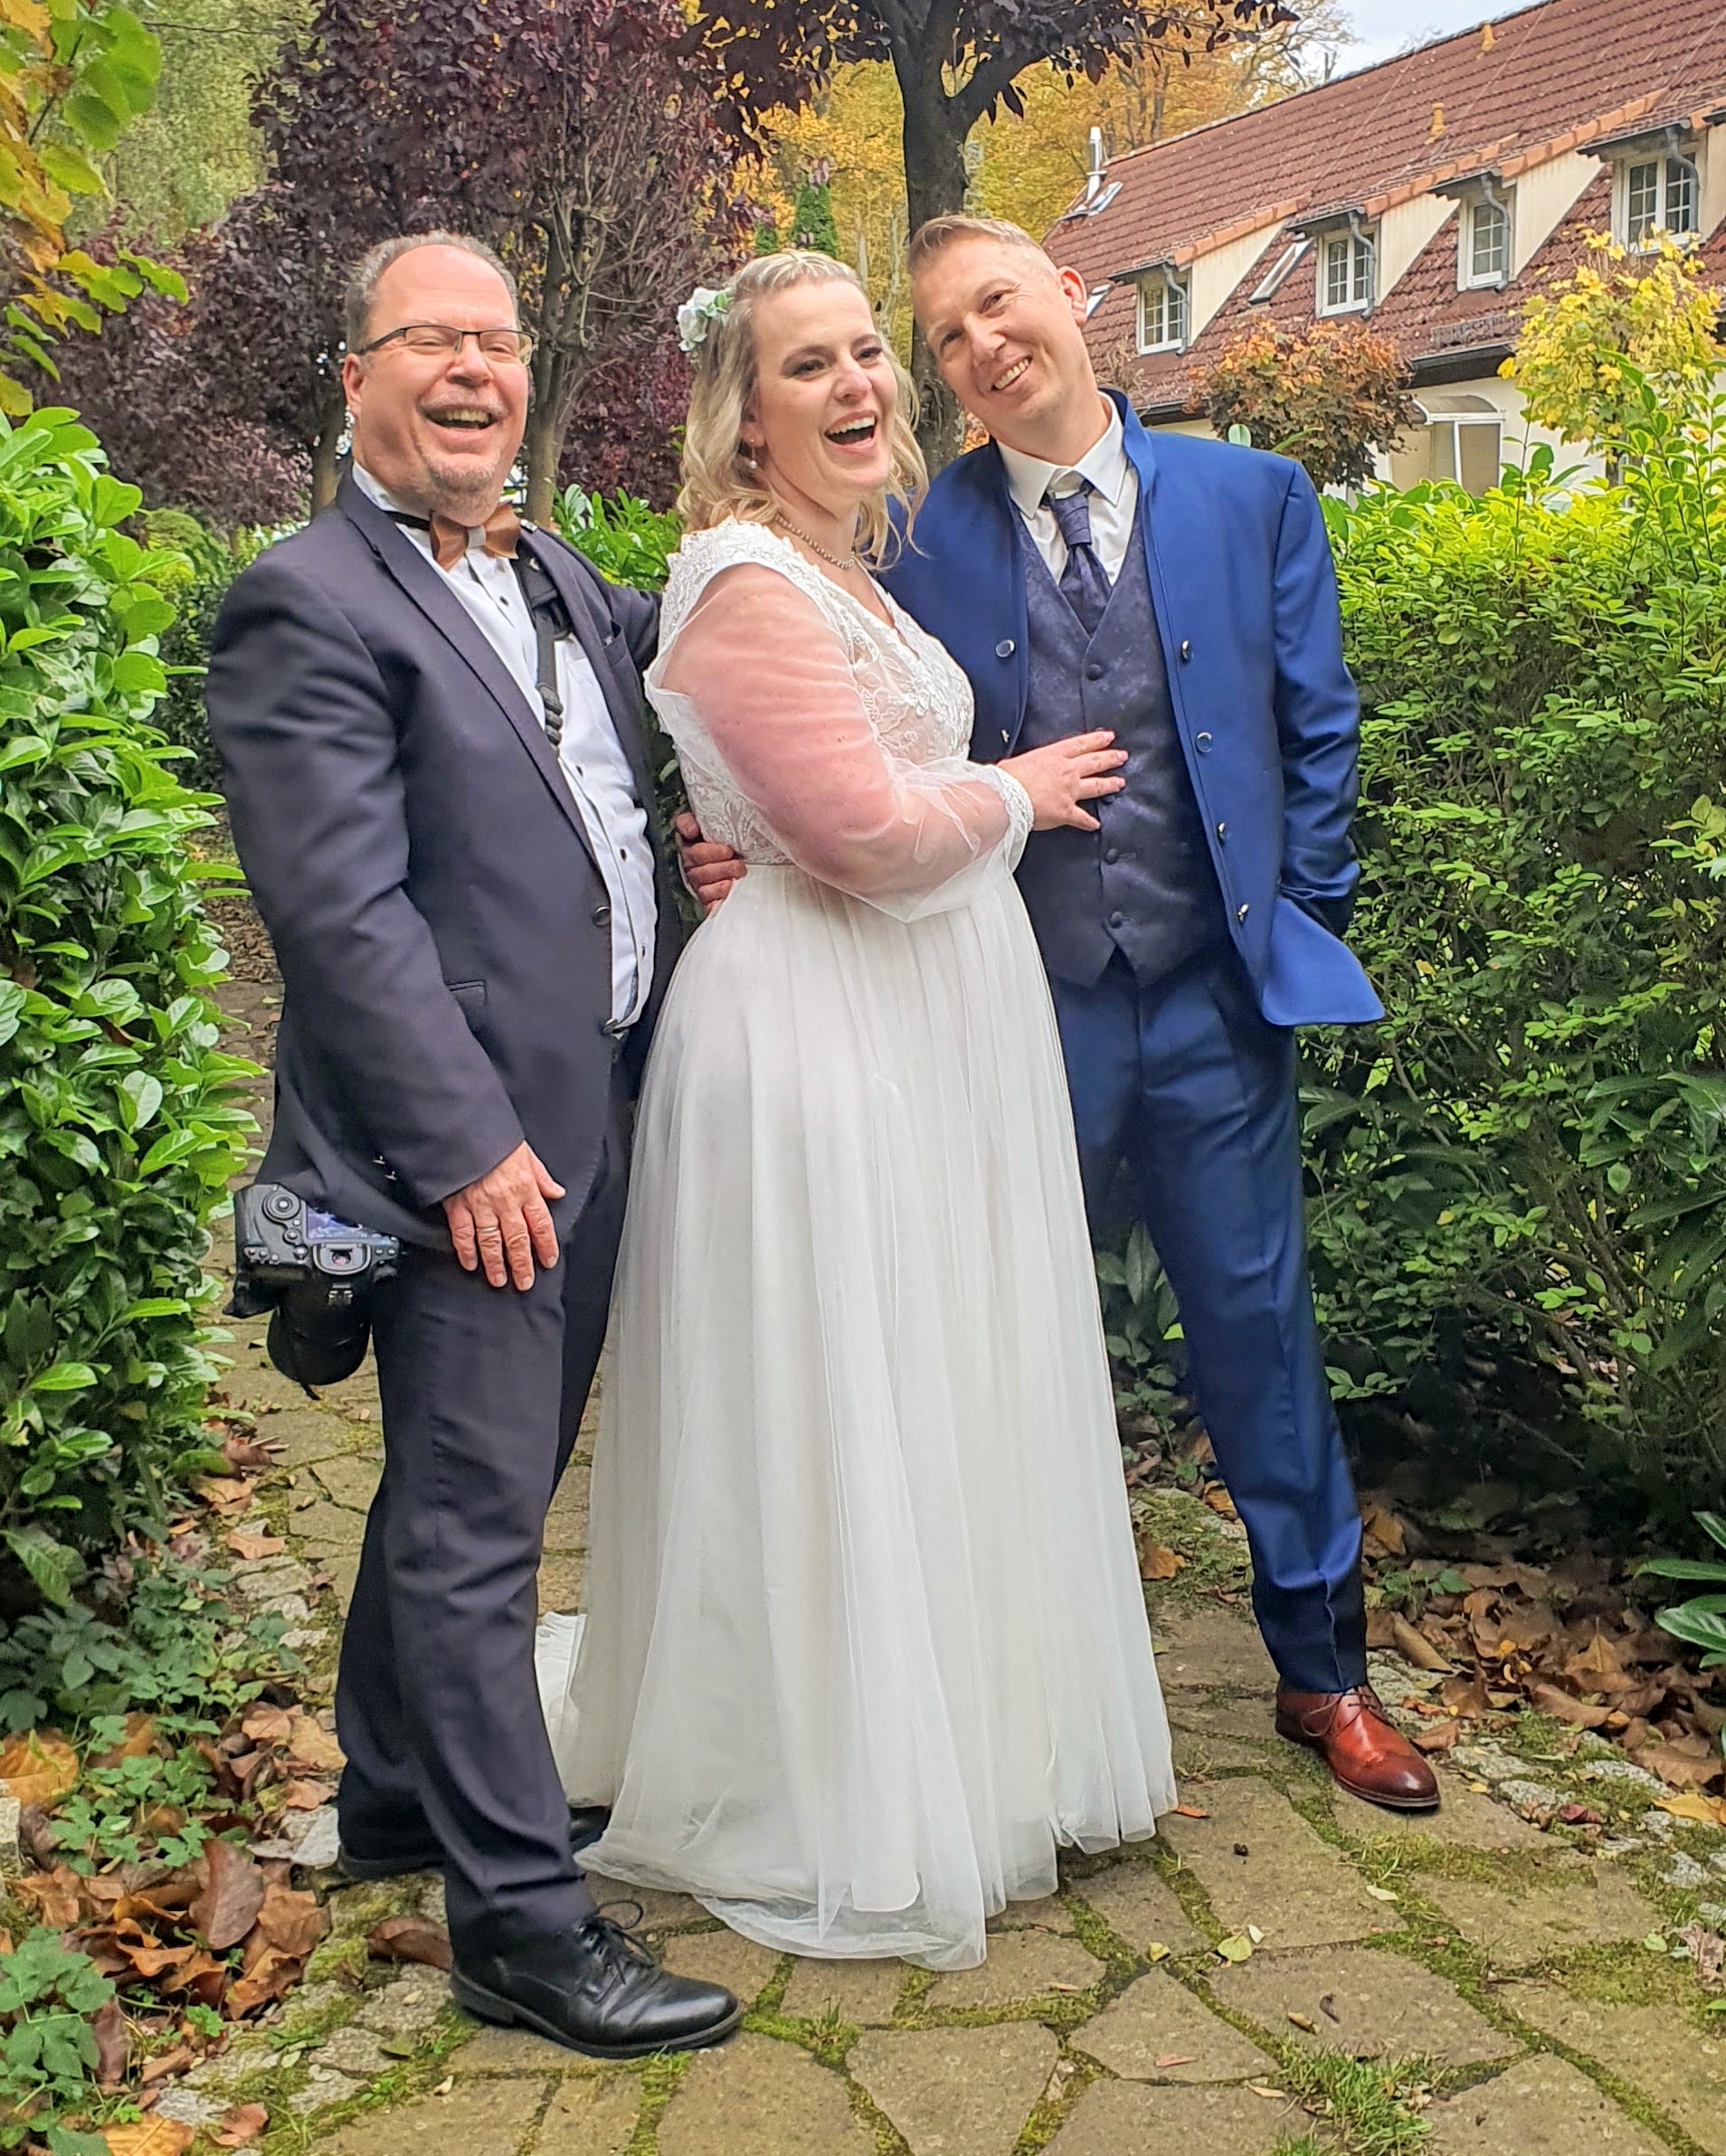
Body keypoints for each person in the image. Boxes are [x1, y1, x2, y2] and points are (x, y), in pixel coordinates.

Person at [687, 217, 1439, 1812]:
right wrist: (735, 832)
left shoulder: (1253, 496)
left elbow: (1318, 730)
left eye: (999, 305)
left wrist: (1295, 924)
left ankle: (1327, 1675)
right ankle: (996, 1687)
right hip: (1013, 1012)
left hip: (1213, 1004)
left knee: (1261, 1338)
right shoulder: (905, 533)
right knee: (988, 1336)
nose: (982, 347)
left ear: (1073, 295)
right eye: (947, 335)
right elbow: (797, 701)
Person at [552, 250, 1175, 1972]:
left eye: (862, 356)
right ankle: (823, 1772)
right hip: (820, 1028)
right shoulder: (746, 578)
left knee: (926, 1366)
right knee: (839, 1374)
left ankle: (958, 1733)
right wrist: (1019, 789)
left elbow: (817, 797)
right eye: (807, 367)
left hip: (914, 1018)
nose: (857, 386)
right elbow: (864, 840)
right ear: (742, 418)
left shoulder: (852, 572)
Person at [205, 232, 741, 2057]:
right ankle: (519, 1925)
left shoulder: (557, 571)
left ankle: (389, 1793)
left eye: (495, 342)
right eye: (428, 339)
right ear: (355, 374)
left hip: (597, 1107)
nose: (470, 370)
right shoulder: (303, 603)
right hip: (474, 1158)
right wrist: (466, 1152)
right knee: (472, 1528)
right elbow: (340, 918)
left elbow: (612, 778)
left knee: (458, 1489)